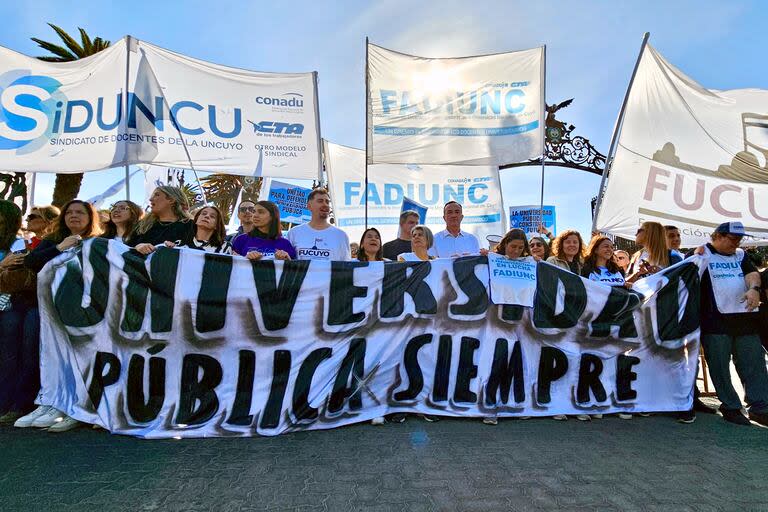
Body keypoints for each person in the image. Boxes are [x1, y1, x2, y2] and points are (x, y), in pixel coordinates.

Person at [15, 199, 102, 432]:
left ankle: (79, 405)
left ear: (90, 216)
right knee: (54, 355)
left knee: (81, 356)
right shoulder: (53, 241)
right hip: (52, 311)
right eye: (69, 212)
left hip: (88, 313)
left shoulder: (101, 242)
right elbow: (31, 262)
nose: (74, 216)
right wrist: (60, 247)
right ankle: (52, 400)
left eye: (80, 212)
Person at [687, 222, 768, 426]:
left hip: (745, 319)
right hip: (715, 321)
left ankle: (760, 407)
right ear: (718, 236)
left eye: (740, 239)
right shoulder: (700, 253)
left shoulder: (740, 255)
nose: (737, 243)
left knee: (754, 365)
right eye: (733, 239)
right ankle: (730, 406)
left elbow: (752, 274)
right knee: (720, 367)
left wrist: (754, 289)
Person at [0, 201, 32, 425]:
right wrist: (2, 264)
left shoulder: (19, 243)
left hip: (9, 308)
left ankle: (9, 404)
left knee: (9, 358)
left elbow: (18, 278)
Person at [127, 186, 194, 255]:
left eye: (157, 195)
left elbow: (198, 252)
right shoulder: (142, 226)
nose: (150, 199)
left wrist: (177, 248)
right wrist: (137, 247)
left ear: (171, 200)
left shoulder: (191, 226)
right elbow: (124, 250)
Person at [287, 188, 349, 261]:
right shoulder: (294, 233)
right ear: (309, 206)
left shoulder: (341, 235)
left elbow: (347, 267)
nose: (325, 205)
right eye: (320, 201)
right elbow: (286, 264)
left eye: (327, 202)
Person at [231, 201, 296, 261]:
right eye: (254, 211)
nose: (255, 215)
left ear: (272, 216)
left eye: (261, 212)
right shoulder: (241, 240)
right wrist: (245, 259)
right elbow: (231, 266)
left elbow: (294, 271)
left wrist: (287, 260)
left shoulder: (285, 243)